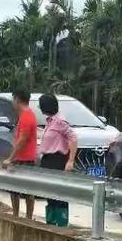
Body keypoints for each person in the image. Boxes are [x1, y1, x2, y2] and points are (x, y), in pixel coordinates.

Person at [38, 93, 78, 227]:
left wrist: (70, 160)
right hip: (47, 160)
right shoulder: (50, 121)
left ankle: (61, 224)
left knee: (59, 194)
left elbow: (73, 138)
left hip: (57, 160)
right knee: (50, 194)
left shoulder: (60, 121)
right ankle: (51, 222)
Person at [2, 90, 37, 219]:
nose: (13, 103)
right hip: (21, 158)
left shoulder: (27, 116)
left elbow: (22, 140)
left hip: (25, 159)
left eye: (13, 100)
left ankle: (28, 218)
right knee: (14, 190)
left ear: (17, 99)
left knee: (27, 191)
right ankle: (16, 216)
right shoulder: (24, 115)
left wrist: (10, 158)